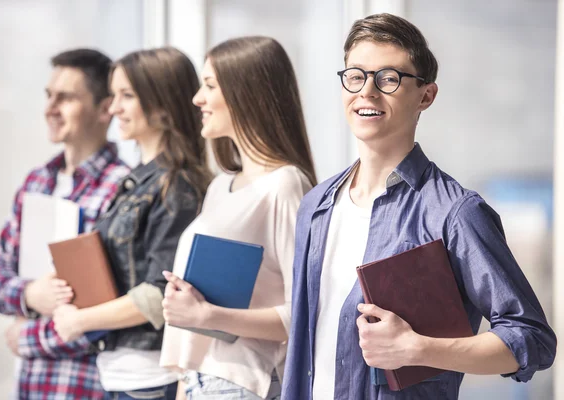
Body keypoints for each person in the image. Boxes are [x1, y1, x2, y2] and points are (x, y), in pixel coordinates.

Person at [282, 13, 557, 400]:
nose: (368, 92)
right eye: (356, 76)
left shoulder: (454, 213)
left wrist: (417, 348)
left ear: (425, 95)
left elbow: (532, 338)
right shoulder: (316, 205)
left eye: (389, 79)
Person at [159, 36, 317, 400]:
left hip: (245, 384)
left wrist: (206, 316)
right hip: (199, 381)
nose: (197, 98)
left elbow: (304, 314)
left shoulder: (286, 185)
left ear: (248, 94)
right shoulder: (219, 187)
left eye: (210, 85)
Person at [51, 47, 211, 400]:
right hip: (122, 375)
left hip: (150, 378)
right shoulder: (138, 182)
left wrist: (82, 320)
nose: (113, 108)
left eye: (127, 96)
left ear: (161, 103)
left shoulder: (177, 186)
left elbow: (158, 292)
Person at [0, 48, 130, 399]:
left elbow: (110, 315)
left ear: (105, 108)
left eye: (66, 98)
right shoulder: (36, 182)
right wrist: (31, 295)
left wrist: (27, 338)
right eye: (49, 96)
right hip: (31, 385)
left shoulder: (122, 189)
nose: (50, 109)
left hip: (85, 387)